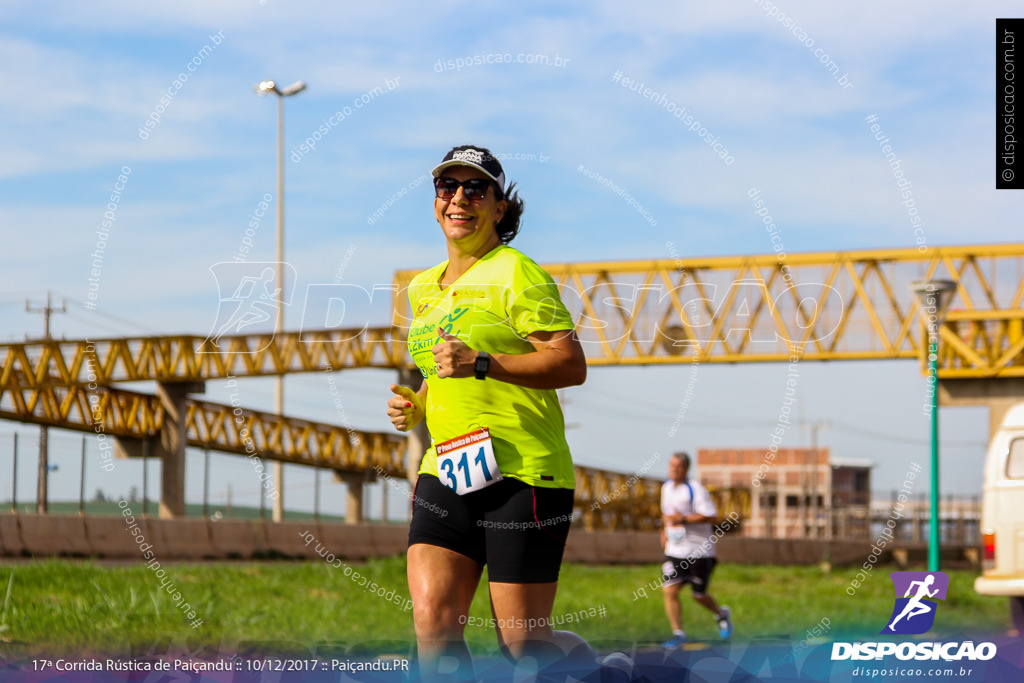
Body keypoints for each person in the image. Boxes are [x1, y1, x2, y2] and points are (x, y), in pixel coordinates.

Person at [386, 145, 624, 680]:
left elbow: (569, 363)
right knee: (434, 623)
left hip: (524, 471)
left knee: (521, 645)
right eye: (448, 187)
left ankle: (601, 669)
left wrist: (485, 363)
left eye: (477, 189)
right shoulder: (423, 289)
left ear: (499, 206)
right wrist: (416, 405)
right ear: (435, 202)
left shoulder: (517, 273)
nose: (459, 199)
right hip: (447, 467)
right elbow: (438, 369)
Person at [660, 451, 732, 647]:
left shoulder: (695, 489)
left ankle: (721, 614)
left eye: (678, 466)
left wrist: (683, 519)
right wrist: (664, 532)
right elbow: (667, 514)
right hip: (674, 550)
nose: (673, 469)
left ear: (685, 469)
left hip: (699, 550)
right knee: (670, 590)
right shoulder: (666, 488)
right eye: (671, 465)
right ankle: (678, 634)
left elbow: (711, 516)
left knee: (699, 595)